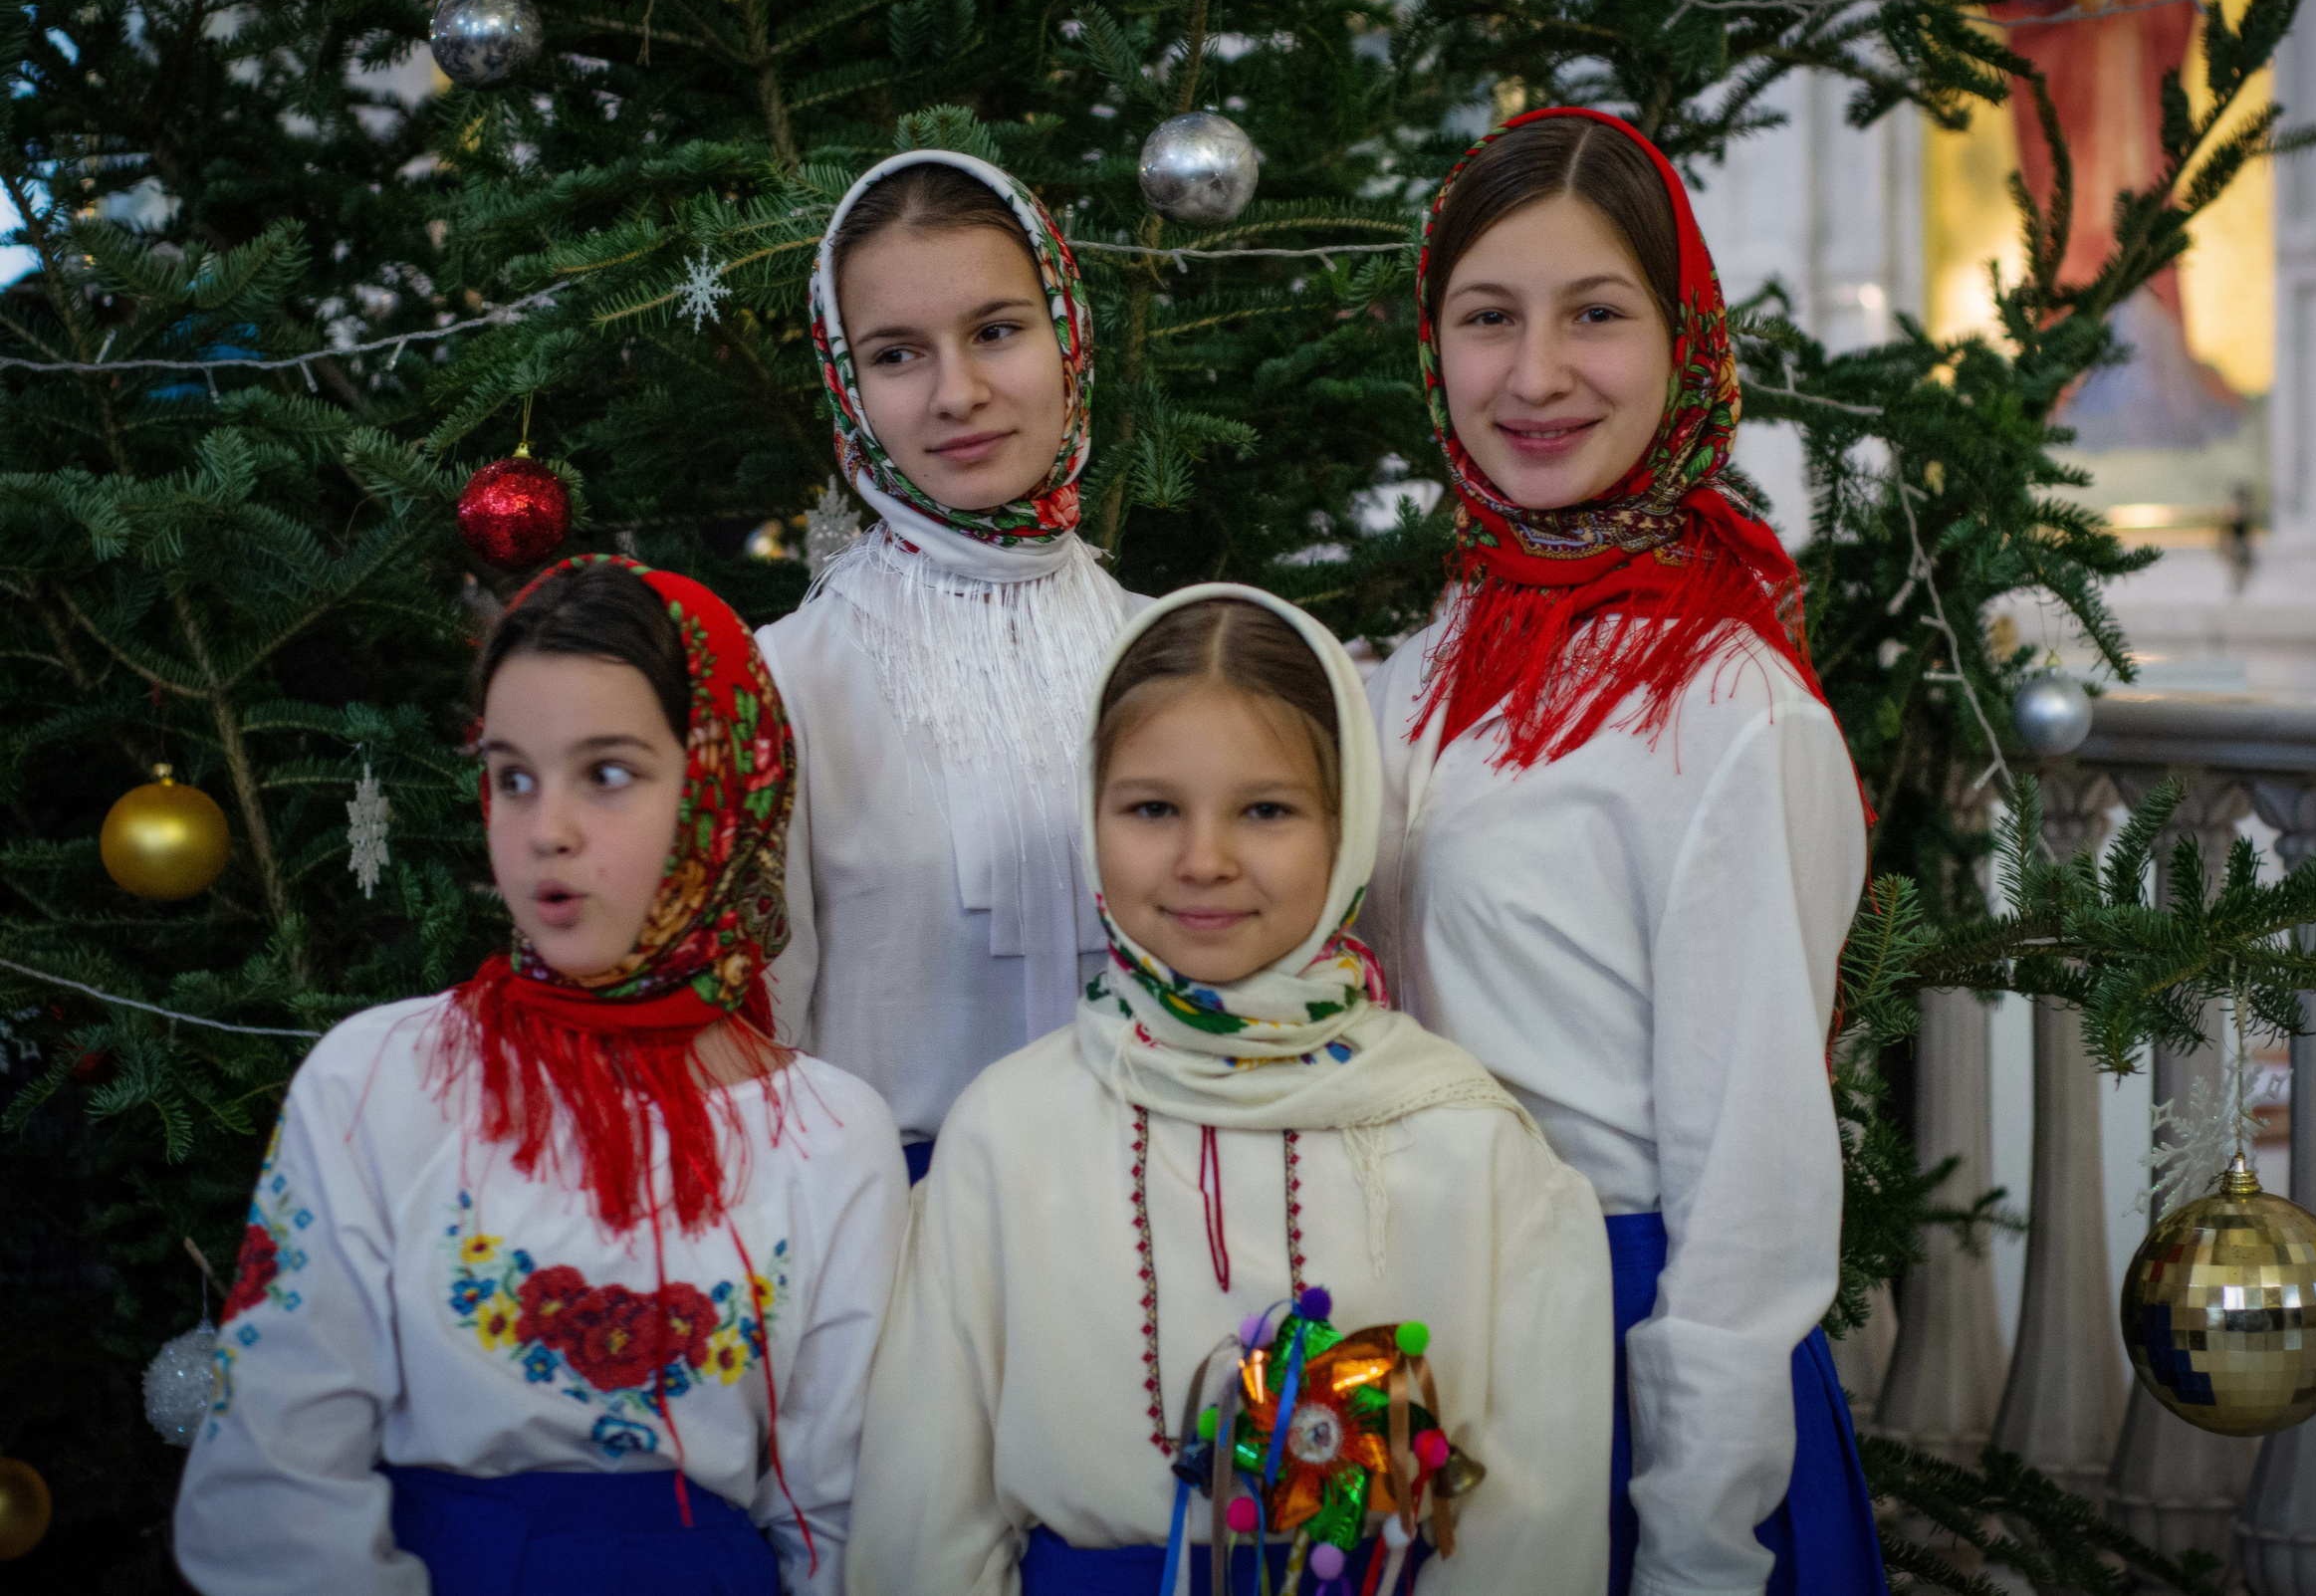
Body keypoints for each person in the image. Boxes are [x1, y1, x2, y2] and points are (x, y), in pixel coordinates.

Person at [1362, 108, 1885, 1596]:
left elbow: (1754, 1194)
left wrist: (1697, 1543)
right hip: (1431, 1344)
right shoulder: (1423, 665)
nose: (1533, 376)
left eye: (1595, 313)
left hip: (1631, 1360)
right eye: (1487, 318)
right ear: (1434, 342)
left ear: (1684, 338)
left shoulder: (1731, 710)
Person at [844, 584, 1612, 1595]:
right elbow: (925, 1522)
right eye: (1152, 808)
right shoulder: (1007, 1131)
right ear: (1091, 817)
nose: (1204, 861)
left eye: (1266, 810)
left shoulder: (1466, 1140)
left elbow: (1527, 1536)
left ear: (1346, 830)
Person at [173, 557, 907, 1596]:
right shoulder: (379, 1080)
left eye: (606, 773)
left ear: (721, 786)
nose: (545, 830)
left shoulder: (828, 1134)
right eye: (513, 775)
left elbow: (841, 1518)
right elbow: (271, 1481)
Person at [763, 148, 1143, 1182]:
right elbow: (757, 1047)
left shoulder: (1173, 654)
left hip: (1166, 1254)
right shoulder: (786, 685)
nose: (957, 392)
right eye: (895, 354)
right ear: (845, 382)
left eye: (995, 332)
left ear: (1067, 335)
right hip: (894, 1250)